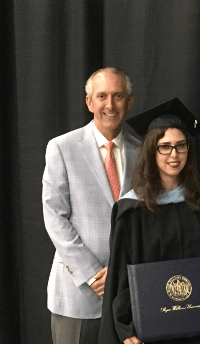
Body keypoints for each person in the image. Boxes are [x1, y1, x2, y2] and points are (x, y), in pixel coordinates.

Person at [98, 98, 200, 344]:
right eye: (164, 147)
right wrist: (125, 327)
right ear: (151, 151)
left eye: (181, 146)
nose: (174, 155)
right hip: (152, 331)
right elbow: (121, 275)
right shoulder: (132, 210)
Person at [42, 67, 140, 344]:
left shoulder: (142, 151)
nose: (110, 105)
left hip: (128, 291)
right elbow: (55, 217)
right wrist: (92, 274)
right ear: (89, 102)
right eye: (102, 96)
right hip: (78, 292)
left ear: (129, 102)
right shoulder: (62, 147)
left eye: (118, 96)